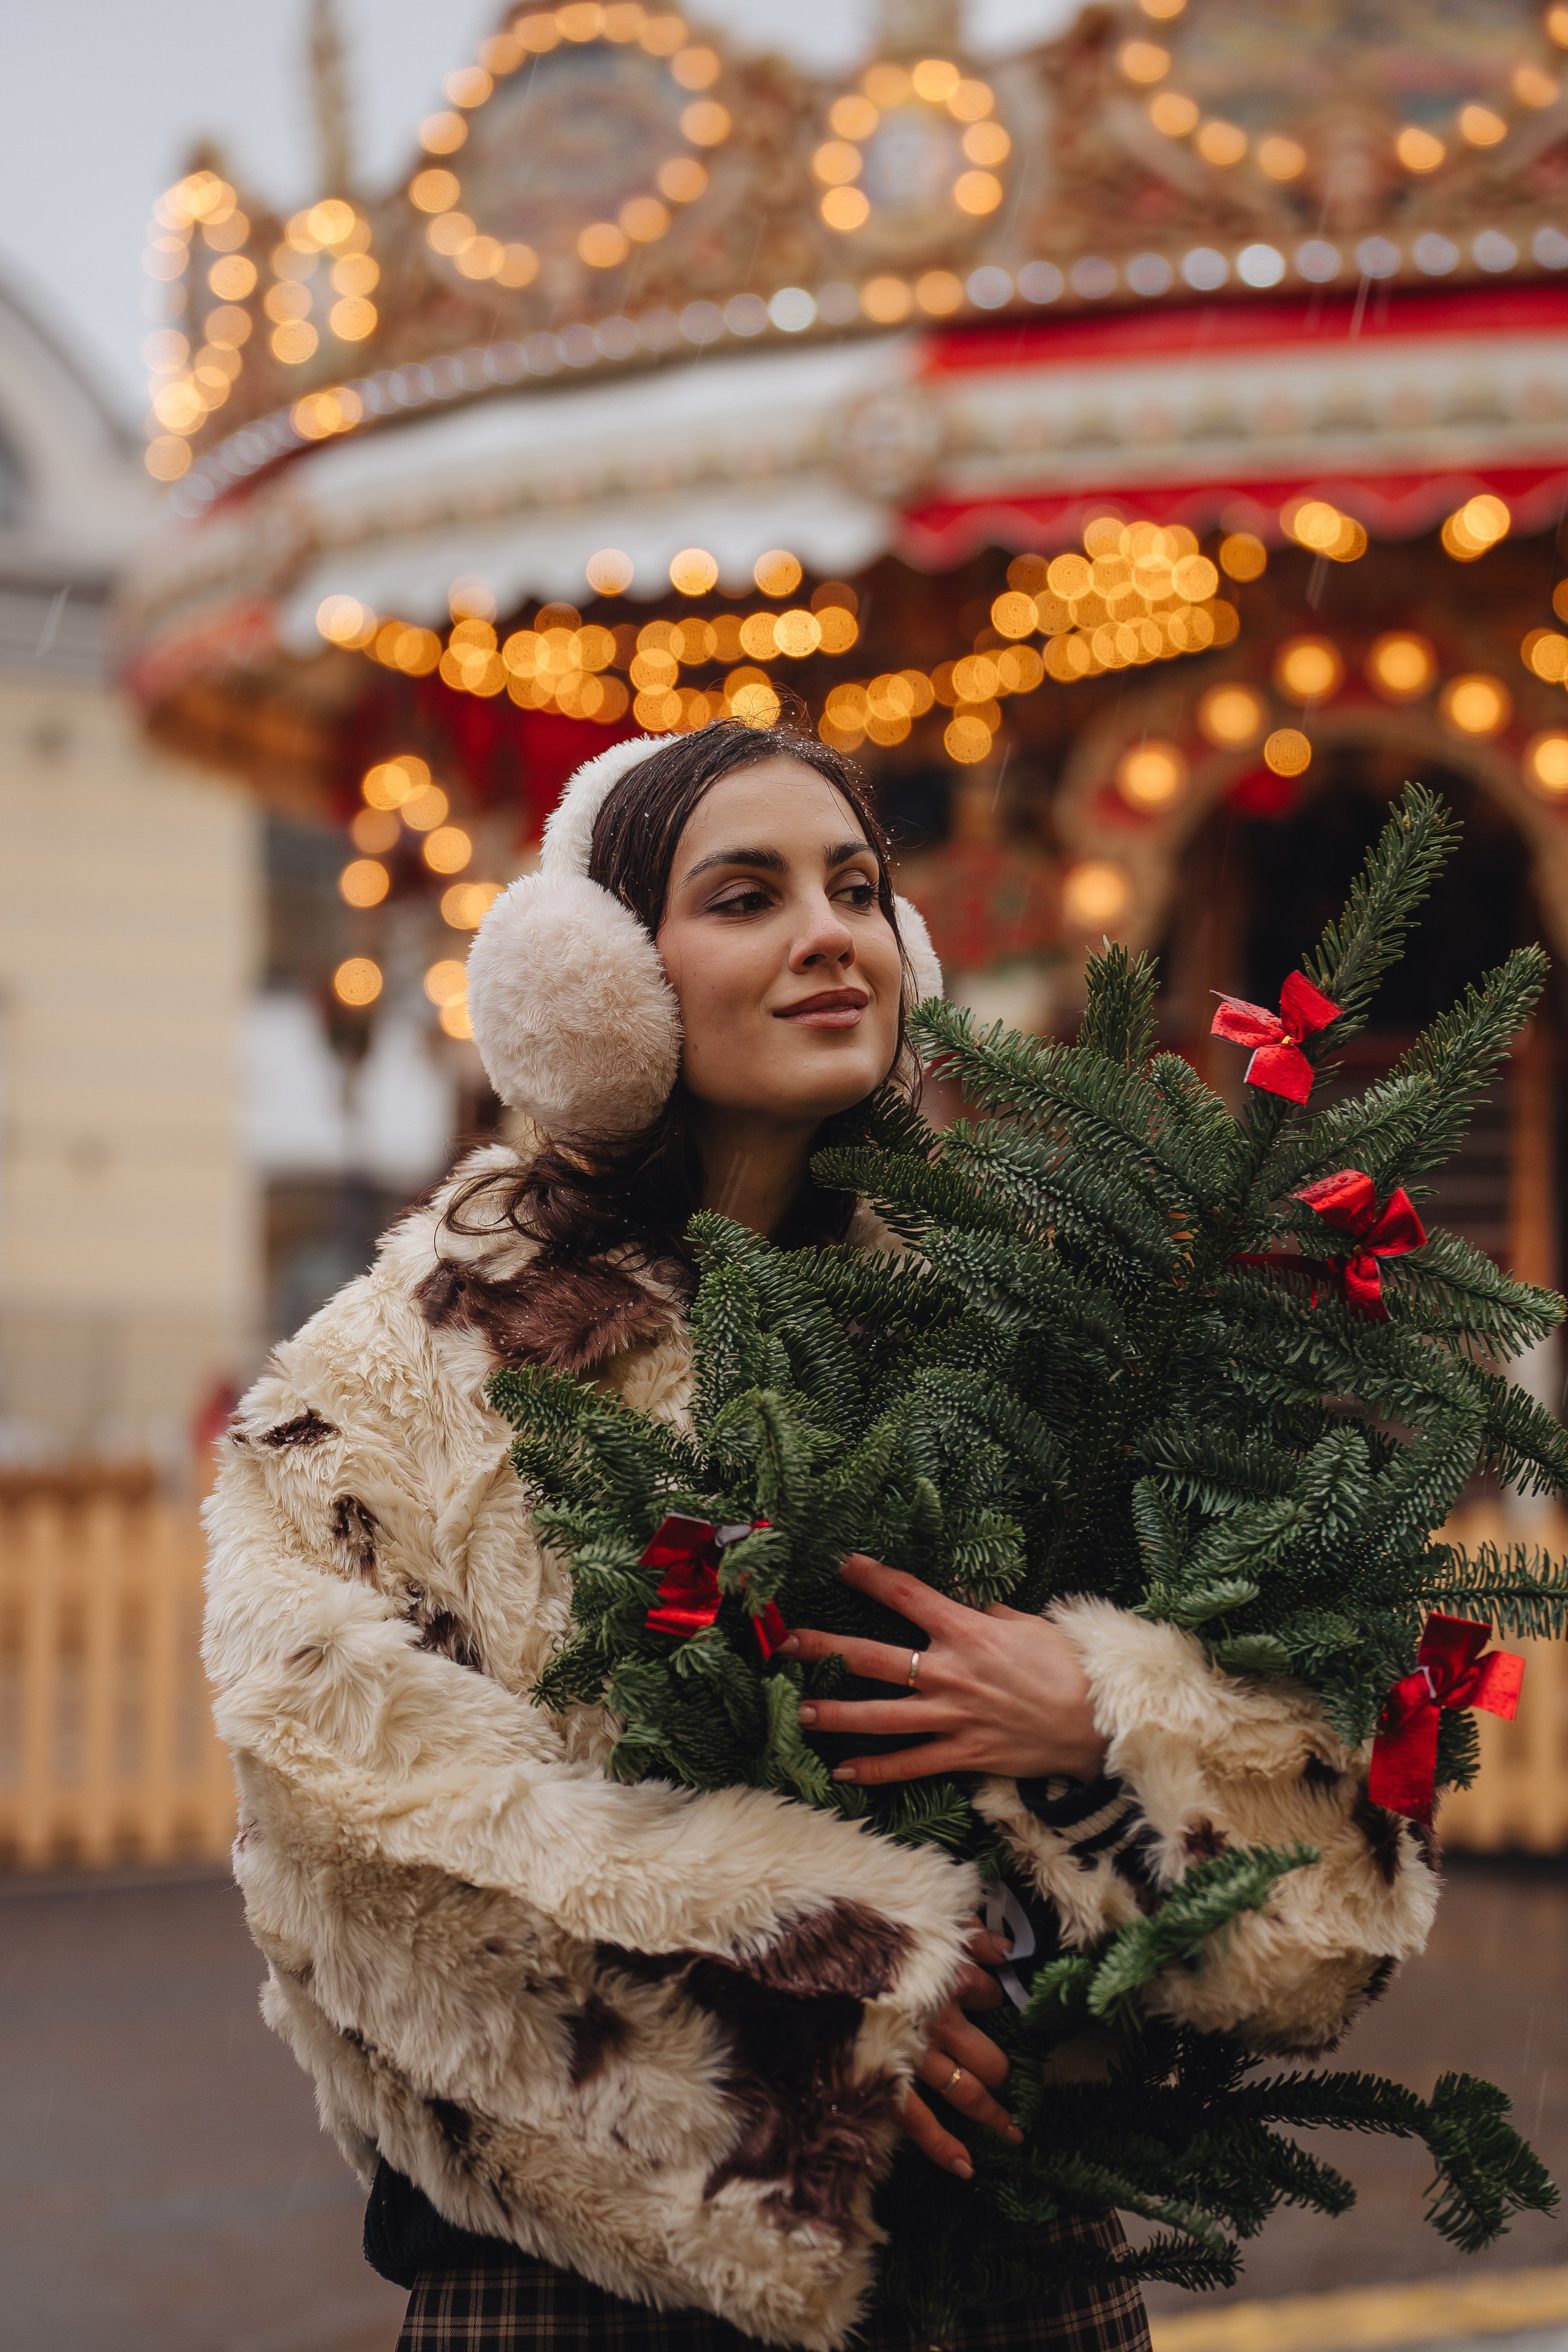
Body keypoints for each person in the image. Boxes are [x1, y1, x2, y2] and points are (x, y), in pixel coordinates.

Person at [203, 721, 1438, 2352]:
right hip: (586, 2286)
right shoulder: (405, 1366)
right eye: (747, 895)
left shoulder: (1021, 1323)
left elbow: (1320, 1873)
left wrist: (1104, 1720)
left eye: (857, 888)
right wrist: (824, 2023)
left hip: (1011, 2271)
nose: (830, 933)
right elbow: (350, 1826)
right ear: (603, 983)